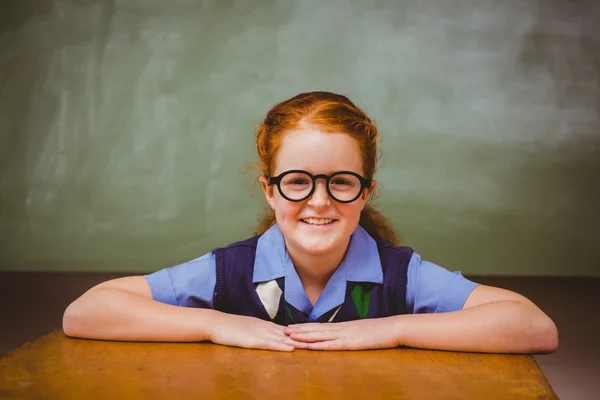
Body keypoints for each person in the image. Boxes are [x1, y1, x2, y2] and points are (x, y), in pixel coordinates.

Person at [63, 91, 558, 353]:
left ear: (365, 193)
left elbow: (534, 327)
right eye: (298, 181)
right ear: (269, 189)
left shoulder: (399, 276)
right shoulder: (228, 272)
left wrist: (393, 329)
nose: (319, 201)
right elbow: (86, 312)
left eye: (341, 182)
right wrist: (214, 325)